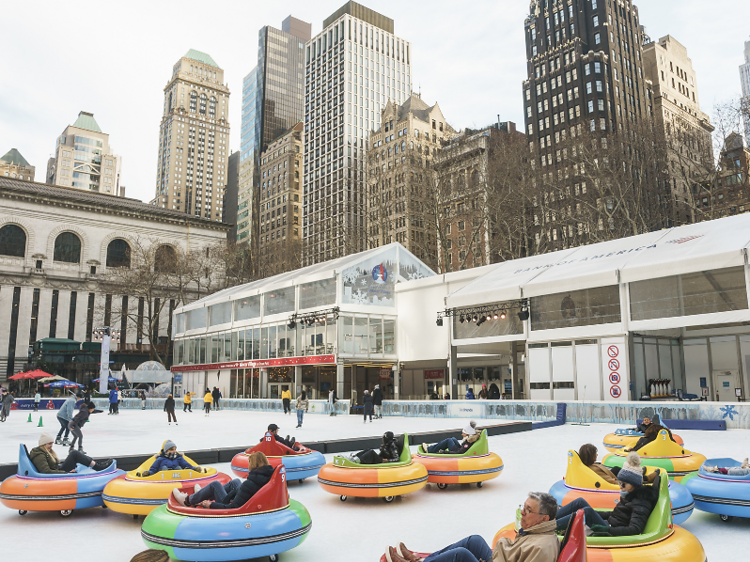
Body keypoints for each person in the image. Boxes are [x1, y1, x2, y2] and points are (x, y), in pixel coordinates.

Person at [386, 492, 559, 562]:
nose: (522, 513)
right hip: (501, 558)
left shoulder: (541, 548)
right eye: (524, 507)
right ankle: (422, 560)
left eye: (528, 510)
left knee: (461, 555)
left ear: (544, 518)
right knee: (474, 540)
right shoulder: (539, 530)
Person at [554, 451, 661, 537]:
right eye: (620, 483)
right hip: (609, 524)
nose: (621, 486)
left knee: (586, 512)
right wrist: (595, 513)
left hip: (611, 531)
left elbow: (635, 529)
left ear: (634, 484)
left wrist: (607, 529)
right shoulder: (629, 494)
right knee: (580, 503)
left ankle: (550, 527)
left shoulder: (641, 502)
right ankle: (551, 520)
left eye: (624, 484)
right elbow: (615, 515)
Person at [174, 451, 274, 509]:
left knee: (215, 485)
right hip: (246, 501)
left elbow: (234, 508)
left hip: (230, 507)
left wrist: (212, 505)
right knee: (236, 482)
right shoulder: (267, 476)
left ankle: (188, 500)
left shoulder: (250, 484)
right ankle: (201, 495)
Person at [30, 432, 112, 473]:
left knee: (74, 454)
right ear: (43, 444)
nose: (51, 446)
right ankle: (98, 467)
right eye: (49, 444)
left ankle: (97, 465)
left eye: (52, 444)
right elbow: (46, 471)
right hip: (57, 474)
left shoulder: (46, 452)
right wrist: (66, 473)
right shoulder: (39, 455)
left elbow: (53, 466)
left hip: (58, 470)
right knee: (74, 454)